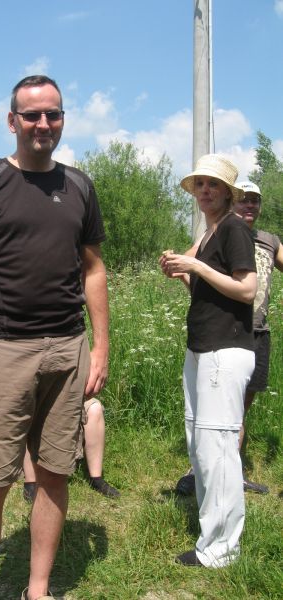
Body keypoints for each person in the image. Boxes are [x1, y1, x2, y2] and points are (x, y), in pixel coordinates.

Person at [0, 75, 109, 600]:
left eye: (53, 114)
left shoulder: (79, 186)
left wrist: (101, 347)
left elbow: (94, 270)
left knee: (54, 475)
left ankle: (38, 589)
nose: (43, 124)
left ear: (63, 120)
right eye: (32, 115)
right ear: (12, 121)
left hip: (68, 349)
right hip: (2, 350)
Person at [160, 154, 257, 568]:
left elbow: (247, 289)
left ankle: (221, 550)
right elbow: (210, 292)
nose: (204, 190)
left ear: (228, 192)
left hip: (225, 351)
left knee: (217, 448)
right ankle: (212, 532)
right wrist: (183, 272)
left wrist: (195, 264)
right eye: (200, 183)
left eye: (213, 184)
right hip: (201, 349)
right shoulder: (209, 232)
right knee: (201, 444)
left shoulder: (234, 228)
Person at [175, 180, 283, 496]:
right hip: (225, 332)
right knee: (216, 412)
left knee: (238, 409)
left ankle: (229, 473)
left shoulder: (268, 240)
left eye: (255, 200)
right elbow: (186, 266)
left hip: (256, 330)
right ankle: (205, 473)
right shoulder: (219, 232)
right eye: (244, 199)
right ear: (233, 201)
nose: (249, 205)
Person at [23, 398, 120, 501]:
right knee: (30, 410)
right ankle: (31, 481)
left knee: (94, 408)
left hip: (70, 398)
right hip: (39, 398)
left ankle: (96, 479)